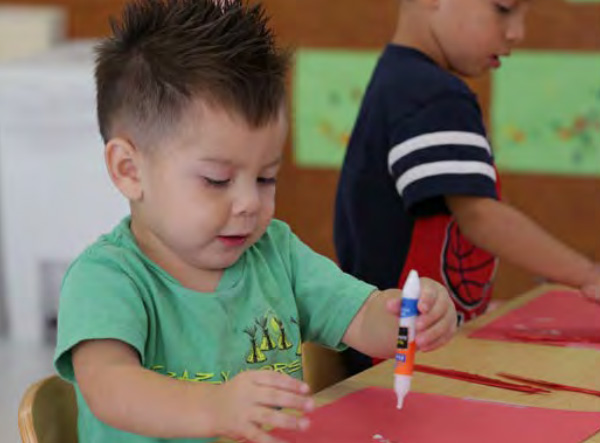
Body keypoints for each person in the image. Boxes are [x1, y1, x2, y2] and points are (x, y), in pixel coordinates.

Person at [53, 1, 457, 442]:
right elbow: (110, 389)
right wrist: (212, 407)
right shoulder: (106, 278)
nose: (248, 203)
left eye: (266, 177)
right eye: (217, 179)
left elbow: (361, 319)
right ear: (129, 170)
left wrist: (405, 321)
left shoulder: (275, 252)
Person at [334, 0, 600, 376]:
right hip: (402, 360)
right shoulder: (433, 96)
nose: (517, 33)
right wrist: (588, 275)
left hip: (402, 350)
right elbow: (480, 215)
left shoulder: (402, 81)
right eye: (503, 9)